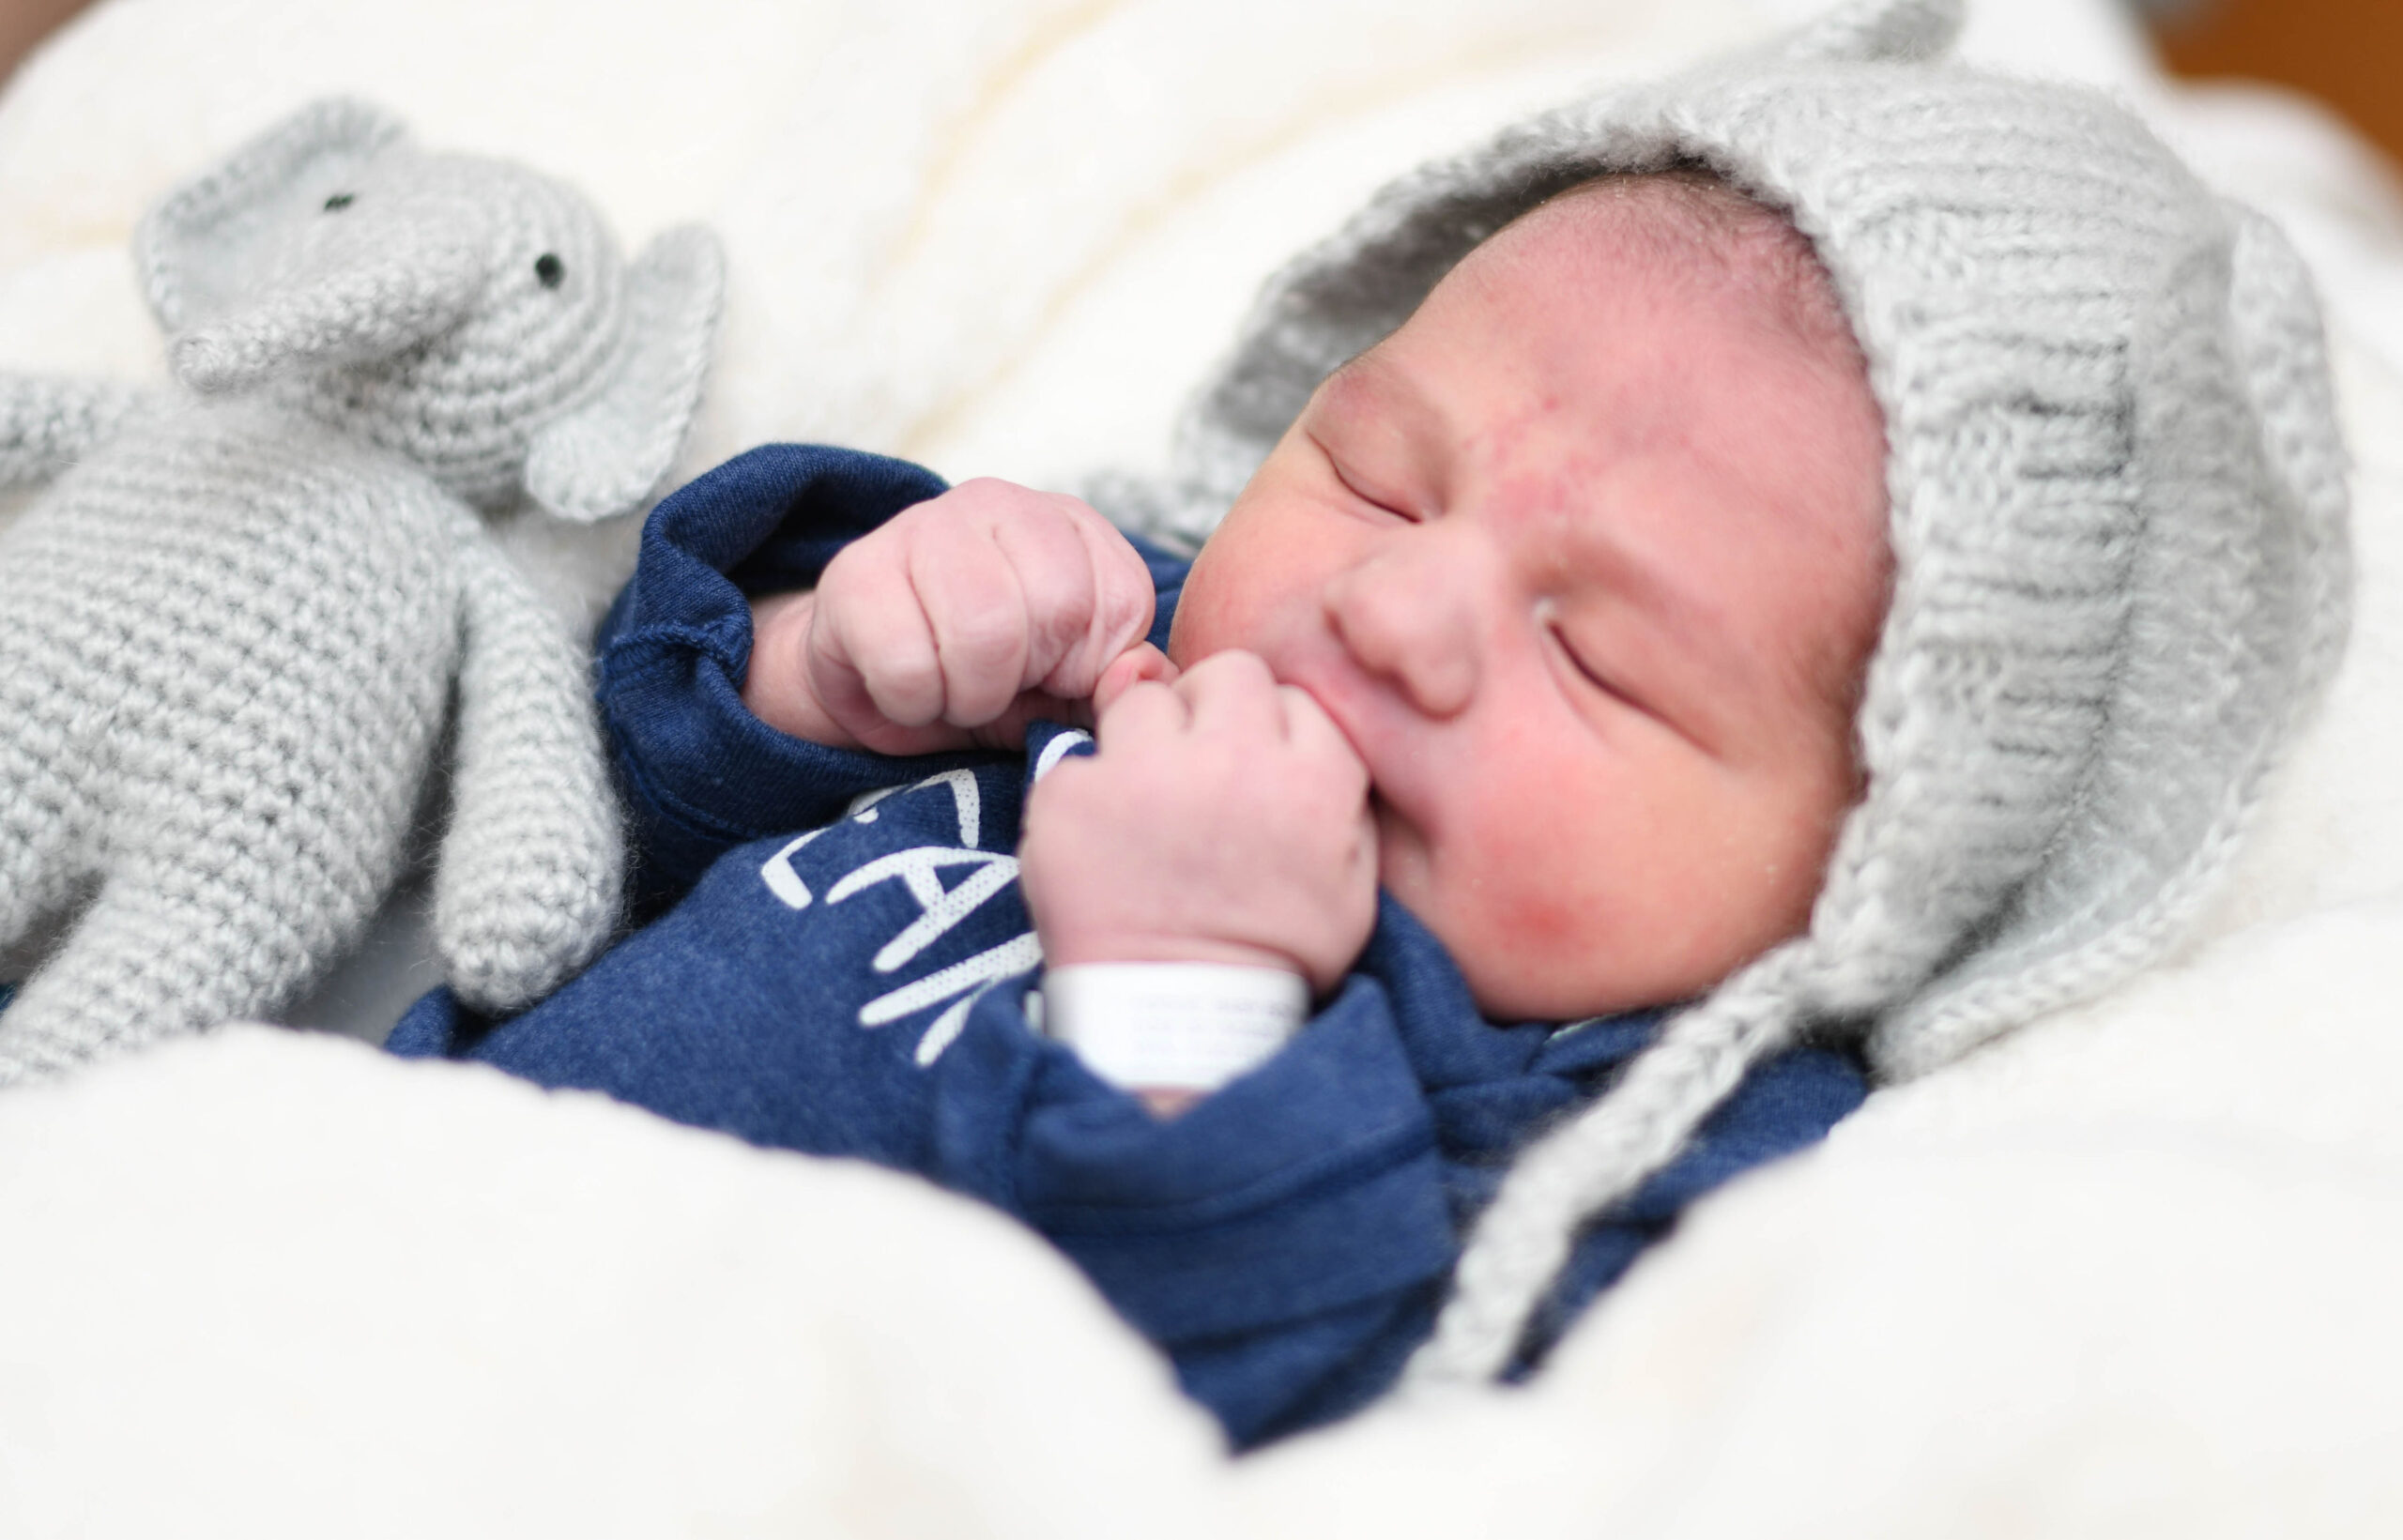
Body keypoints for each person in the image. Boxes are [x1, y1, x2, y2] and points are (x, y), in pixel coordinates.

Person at [390, 0, 2350, 1449]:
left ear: (1867, 868)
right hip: (375, 1214)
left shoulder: (1607, 1119)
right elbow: (584, 840)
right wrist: (832, 662)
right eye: (1382, 478)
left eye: (1599, 660)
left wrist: (1190, 1000)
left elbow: (1260, 1415)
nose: (1391, 605)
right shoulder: (1114, 641)